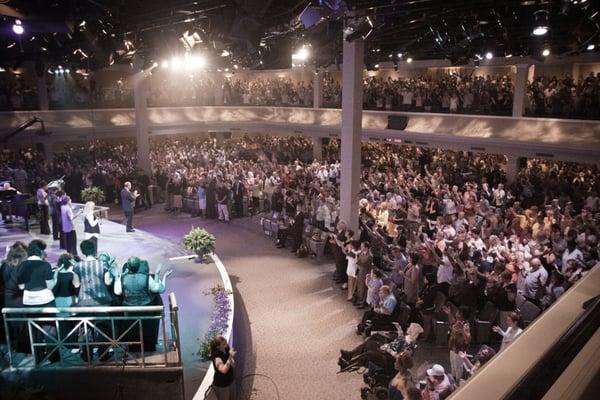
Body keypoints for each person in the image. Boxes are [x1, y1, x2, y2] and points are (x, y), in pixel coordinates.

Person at [16, 240, 59, 363]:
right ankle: (53, 357)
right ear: (40, 251)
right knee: (50, 329)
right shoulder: (45, 265)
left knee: (34, 329)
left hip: (29, 301)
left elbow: (21, 287)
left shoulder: (22, 265)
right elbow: (50, 286)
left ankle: (38, 357)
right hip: (45, 300)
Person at [0, 241, 29, 353]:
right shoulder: (21, 266)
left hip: (8, 297)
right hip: (20, 297)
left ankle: (15, 346)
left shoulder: (5, 265)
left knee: (13, 323)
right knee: (23, 323)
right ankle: (25, 347)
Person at [210, 335, 236, 400]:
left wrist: (231, 358)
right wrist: (230, 357)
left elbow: (233, 364)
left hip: (230, 381)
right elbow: (224, 370)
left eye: (226, 342)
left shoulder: (226, 348)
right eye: (224, 344)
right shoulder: (217, 356)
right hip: (222, 385)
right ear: (218, 347)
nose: (226, 345)